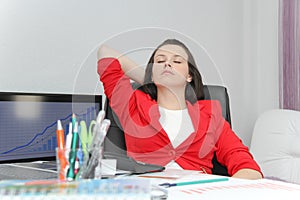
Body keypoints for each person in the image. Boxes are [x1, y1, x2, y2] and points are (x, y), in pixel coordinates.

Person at [97, 39, 263, 179]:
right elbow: (105, 52)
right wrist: (149, 79)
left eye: (177, 61)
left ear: (189, 75)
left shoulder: (211, 117)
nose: (167, 63)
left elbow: (249, 168)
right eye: (160, 61)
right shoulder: (133, 105)